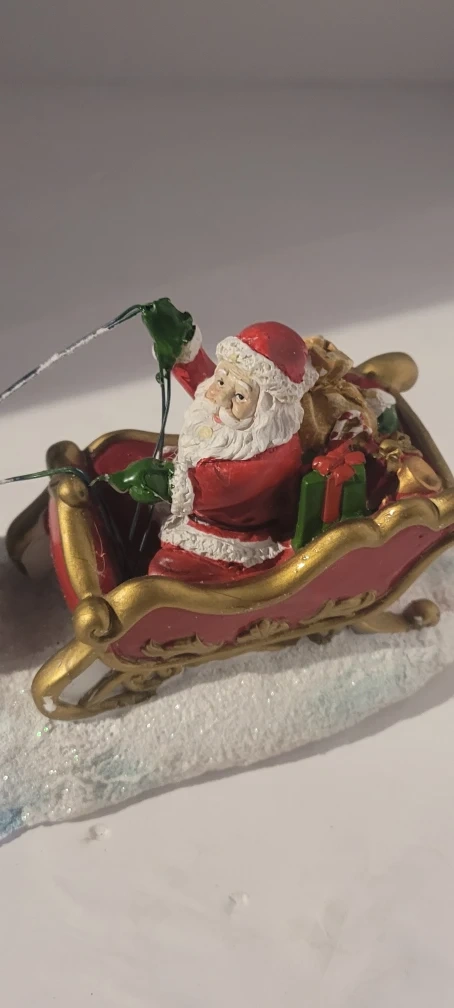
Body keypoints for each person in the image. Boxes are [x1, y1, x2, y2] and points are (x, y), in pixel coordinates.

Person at [148, 321, 318, 582]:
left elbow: (222, 486)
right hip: (190, 512)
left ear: (268, 409)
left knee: (165, 572)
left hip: (233, 538)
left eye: (240, 396)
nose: (221, 398)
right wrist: (184, 348)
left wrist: (164, 480)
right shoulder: (236, 417)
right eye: (221, 380)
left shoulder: (271, 449)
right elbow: (205, 380)